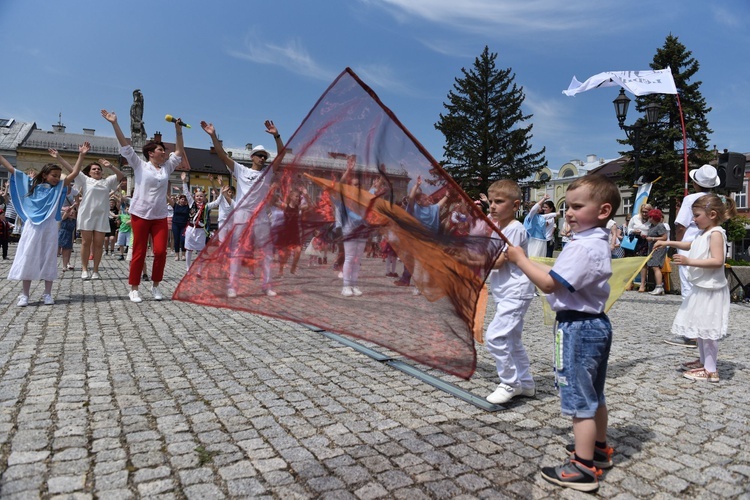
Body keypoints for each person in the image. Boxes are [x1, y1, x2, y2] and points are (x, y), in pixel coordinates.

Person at [506, 174, 620, 492]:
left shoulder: (583, 248)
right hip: (594, 323)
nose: (568, 212)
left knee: (578, 398)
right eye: (567, 206)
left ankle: (583, 468)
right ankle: (597, 449)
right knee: (594, 395)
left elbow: (547, 284)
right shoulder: (591, 242)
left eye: (577, 206)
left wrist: (520, 259)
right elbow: (557, 277)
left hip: (577, 327)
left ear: (603, 210)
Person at [101, 109, 185, 303]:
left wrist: (178, 130)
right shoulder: (139, 165)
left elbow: (179, 152)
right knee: (139, 252)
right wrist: (115, 123)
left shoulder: (167, 167)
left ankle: (156, 286)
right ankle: (134, 288)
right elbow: (125, 145)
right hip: (139, 214)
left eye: (164, 150)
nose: (163, 152)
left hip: (159, 216)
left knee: (161, 252)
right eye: (160, 150)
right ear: (150, 153)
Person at [654, 194, 736, 382]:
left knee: (708, 330)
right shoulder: (704, 233)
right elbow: (690, 244)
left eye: (697, 215)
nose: (693, 219)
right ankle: (704, 361)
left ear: (712, 214)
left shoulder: (716, 234)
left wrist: (689, 261)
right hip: (702, 287)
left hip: (711, 290)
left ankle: (710, 370)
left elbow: (717, 261)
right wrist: (668, 243)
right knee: (701, 328)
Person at [200, 119, 285, 297]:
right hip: (242, 215)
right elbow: (222, 155)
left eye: (264, 156)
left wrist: (276, 136)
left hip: (261, 216)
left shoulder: (267, 174)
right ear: (252, 157)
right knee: (237, 250)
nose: (262, 158)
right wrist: (213, 136)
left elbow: (281, 155)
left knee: (267, 251)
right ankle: (232, 286)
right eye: (259, 155)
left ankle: (267, 285)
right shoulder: (240, 170)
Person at [2, 144, 86, 306]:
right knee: (28, 256)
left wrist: (81, 155)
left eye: (58, 175)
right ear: (45, 175)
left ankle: (47, 294)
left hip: (49, 226)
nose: (56, 178)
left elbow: (74, 173)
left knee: (49, 257)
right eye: (53, 175)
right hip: (32, 226)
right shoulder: (31, 185)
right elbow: (12, 170)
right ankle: (24, 295)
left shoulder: (58, 188)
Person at [484, 180, 536, 405]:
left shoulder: (515, 228)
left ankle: (510, 382)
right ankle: (525, 383)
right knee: (513, 340)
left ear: (515, 205)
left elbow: (498, 262)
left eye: (499, 202)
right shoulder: (498, 227)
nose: (493, 206)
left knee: (495, 337)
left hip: (517, 291)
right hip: (505, 291)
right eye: (491, 201)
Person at [664, 164, 719, 347]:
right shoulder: (716, 199)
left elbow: (681, 225)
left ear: (695, 183)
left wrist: (676, 245)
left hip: (689, 247)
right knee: (702, 287)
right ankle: (703, 331)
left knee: (689, 287)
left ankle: (692, 333)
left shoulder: (690, 199)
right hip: (708, 244)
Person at [51, 151, 126, 281]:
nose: (97, 170)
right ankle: (85, 269)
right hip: (87, 215)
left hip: (101, 216)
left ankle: (96, 270)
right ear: (89, 172)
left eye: (99, 169)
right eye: (94, 169)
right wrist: (59, 157)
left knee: (98, 244)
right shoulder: (85, 180)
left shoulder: (107, 182)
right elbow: (71, 168)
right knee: (86, 242)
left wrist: (110, 166)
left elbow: (121, 175)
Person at [181, 172, 210, 271]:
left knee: (200, 251)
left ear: (204, 198)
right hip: (191, 229)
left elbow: (217, 202)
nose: (199, 198)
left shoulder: (206, 206)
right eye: (197, 196)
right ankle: (188, 268)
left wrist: (221, 194)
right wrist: (184, 181)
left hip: (201, 230)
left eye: (201, 196)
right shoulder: (191, 203)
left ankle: (199, 270)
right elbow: (186, 192)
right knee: (189, 249)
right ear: (194, 197)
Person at [626, 202, 652, 292]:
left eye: (646, 212)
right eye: (643, 212)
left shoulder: (651, 220)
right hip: (634, 240)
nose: (645, 214)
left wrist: (646, 235)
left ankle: (642, 284)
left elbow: (653, 230)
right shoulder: (635, 218)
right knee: (631, 262)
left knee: (643, 263)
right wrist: (634, 231)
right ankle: (630, 282)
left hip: (644, 242)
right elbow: (628, 229)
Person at [645, 209, 668, 295]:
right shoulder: (652, 226)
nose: (649, 218)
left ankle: (659, 286)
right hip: (653, 248)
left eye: (650, 216)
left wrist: (652, 238)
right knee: (654, 267)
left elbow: (664, 237)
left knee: (656, 267)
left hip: (659, 248)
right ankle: (658, 286)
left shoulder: (660, 226)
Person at [58, 203, 78, 271]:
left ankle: (64, 266)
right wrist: (72, 206)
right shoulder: (64, 218)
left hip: (69, 236)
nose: (71, 214)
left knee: (66, 252)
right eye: (70, 212)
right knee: (56, 251)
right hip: (61, 234)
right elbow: (67, 212)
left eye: (73, 213)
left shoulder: (75, 220)